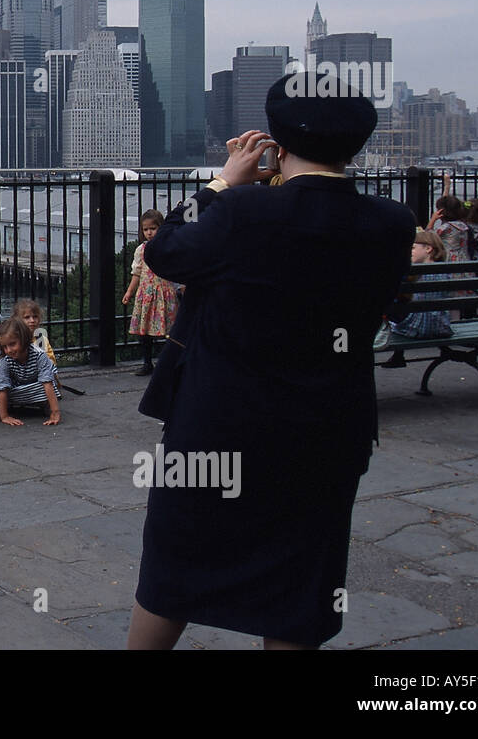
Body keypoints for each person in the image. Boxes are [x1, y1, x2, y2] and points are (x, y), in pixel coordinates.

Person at [127, 72, 414, 651]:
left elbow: (164, 252)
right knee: (300, 583)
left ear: (277, 145)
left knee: (174, 568)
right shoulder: (390, 223)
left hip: (219, 429)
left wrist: (220, 186)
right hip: (328, 431)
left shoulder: (245, 213)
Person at [377, 231, 454, 368]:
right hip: (441, 326)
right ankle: (398, 356)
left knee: (389, 303)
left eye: (412, 247)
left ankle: (396, 354)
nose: (409, 251)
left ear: (428, 249)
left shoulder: (412, 273)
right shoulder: (445, 272)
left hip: (416, 327)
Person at [123, 210, 180, 376]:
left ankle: (167, 362)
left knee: (168, 330)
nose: (149, 232)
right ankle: (147, 362)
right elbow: (137, 272)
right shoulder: (141, 250)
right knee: (145, 330)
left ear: (160, 228)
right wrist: (129, 291)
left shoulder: (167, 246)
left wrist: (181, 287)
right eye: (146, 229)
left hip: (164, 293)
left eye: (153, 228)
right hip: (147, 294)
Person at [0, 317, 61, 427]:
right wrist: (4, 416)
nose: (9, 350)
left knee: (49, 384)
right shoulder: (6, 361)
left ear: (24, 339)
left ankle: (46, 405)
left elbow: (47, 383)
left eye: (12, 344)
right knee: (2, 391)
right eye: (5, 347)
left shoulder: (39, 355)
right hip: (17, 391)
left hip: (37, 387)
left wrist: (55, 412)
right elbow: (2, 386)